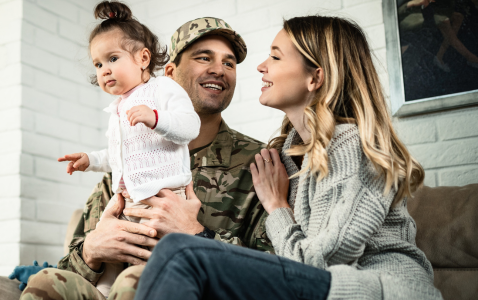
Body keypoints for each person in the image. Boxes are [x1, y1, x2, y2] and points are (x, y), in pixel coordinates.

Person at [133, 16, 444, 300]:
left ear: (315, 78)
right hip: (328, 290)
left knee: (182, 253)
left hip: (378, 292)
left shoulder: (353, 147)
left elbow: (319, 263)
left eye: (276, 56)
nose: (260, 66)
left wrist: (277, 209)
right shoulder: (288, 155)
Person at [17, 11, 272, 300]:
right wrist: (92, 250)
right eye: (204, 58)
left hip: (185, 289)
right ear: (172, 74)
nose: (220, 69)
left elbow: (277, 275)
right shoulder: (125, 164)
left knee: (136, 282)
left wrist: (197, 234)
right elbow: (71, 269)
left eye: (229, 63)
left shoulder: (259, 163)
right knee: (45, 282)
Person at [56, 1, 200, 296]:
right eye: (98, 64)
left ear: (143, 58)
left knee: (148, 253)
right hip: (129, 199)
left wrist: (156, 118)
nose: (104, 70)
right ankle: (105, 291)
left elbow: (190, 127)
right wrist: (90, 159)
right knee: (113, 250)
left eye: (112, 58)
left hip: (163, 198)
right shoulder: (119, 108)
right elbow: (117, 155)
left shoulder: (163, 90)